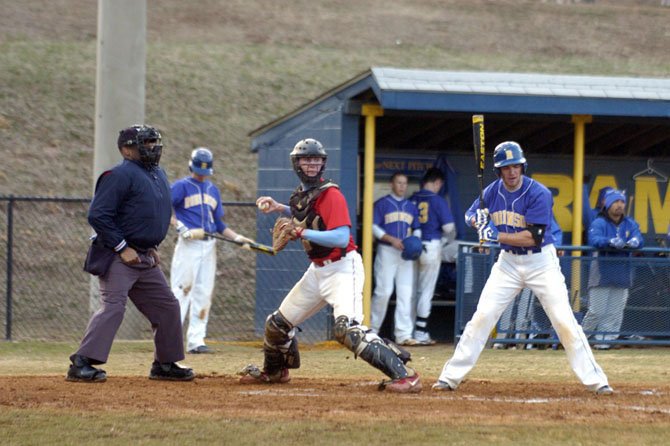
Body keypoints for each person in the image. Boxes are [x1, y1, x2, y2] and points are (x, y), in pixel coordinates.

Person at [239, 138, 422, 393]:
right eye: (306, 159)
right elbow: (306, 215)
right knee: (276, 326)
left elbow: (339, 236)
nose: (312, 164)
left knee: (347, 330)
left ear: (323, 163)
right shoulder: (302, 195)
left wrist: (300, 234)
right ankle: (275, 372)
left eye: (316, 159)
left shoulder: (331, 194)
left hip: (343, 268)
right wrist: (278, 207)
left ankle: (406, 376)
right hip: (318, 271)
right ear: (296, 163)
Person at [432, 141, 612, 395]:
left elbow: (533, 237)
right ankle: (449, 378)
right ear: (499, 171)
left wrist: (495, 235)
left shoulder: (538, 193)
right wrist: (477, 221)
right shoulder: (492, 192)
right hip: (508, 264)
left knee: (564, 320)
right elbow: (470, 213)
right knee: (481, 317)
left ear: (523, 166)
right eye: (506, 168)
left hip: (540, 262)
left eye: (516, 166)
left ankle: (597, 381)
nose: (512, 172)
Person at [68, 125, 195, 383]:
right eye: (145, 143)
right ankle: (80, 363)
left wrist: (151, 247)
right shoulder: (118, 175)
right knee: (114, 307)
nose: (151, 147)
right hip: (118, 256)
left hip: (145, 257)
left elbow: (148, 214)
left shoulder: (158, 173)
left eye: (153, 142)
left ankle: (164, 364)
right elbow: (98, 215)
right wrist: (122, 247)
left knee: (168, 307)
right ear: (127, 149)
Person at [170, 147, 254, 354]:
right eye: (199, 170)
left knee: (203, 293)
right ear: (192, 166)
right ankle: (169, 340)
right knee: (182, 291)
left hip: (209, 245)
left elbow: (218, 224)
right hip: (189, 244)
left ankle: (196, 341)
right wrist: (180, 227)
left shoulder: (212, 190)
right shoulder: (181, 186)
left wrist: (238, 238)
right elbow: (162, 210)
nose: (201, 174)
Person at [583, 189, 643, 350]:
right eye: (615, 202)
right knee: (596, 311)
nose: (619, 205)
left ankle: (605, 342)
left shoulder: (630, 223)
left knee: (615, 311)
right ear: (608, 204)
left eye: (622, 202)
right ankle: (580, 339)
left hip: (623, 273)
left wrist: (635, 241)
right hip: (602, 273)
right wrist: (610, 241)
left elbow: (639, 238)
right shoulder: (599, 222)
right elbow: (594, 239)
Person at [369, 172, 421, 346]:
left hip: (405, 253)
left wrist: (414, 243)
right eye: (399, 182)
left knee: (405, 294)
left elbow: (417, 228)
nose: (402, 186)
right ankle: (372, 331)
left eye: (404, 183)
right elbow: (373, 227)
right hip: (387, 251)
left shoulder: (410, 206)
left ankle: (403, 334)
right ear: (392, 184)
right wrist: (391, 239)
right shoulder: (382, 204)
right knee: (383, 291)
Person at [409, 167, 456, 345]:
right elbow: (449, 228)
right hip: (431, 245)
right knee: (426, 291)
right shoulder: (437, 200)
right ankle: (420, 332)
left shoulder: (412, 198)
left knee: (411, 291)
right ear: (437, 182)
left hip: (411, 247)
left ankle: (408, 330)